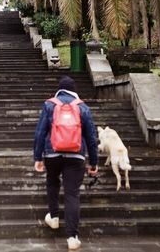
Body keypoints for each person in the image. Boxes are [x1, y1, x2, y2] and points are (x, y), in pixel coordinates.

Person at [33, 76, 98, 250]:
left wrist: (38, 158)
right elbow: (91, 138)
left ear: (59, 90)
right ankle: (72, 237)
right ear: (74, 90)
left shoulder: (49, 105)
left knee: (52, 183)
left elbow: (40, 133)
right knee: (72, 194)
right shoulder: (82, 107)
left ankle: (54, 217)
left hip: (52, 153)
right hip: (76, 156)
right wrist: (94, 162)